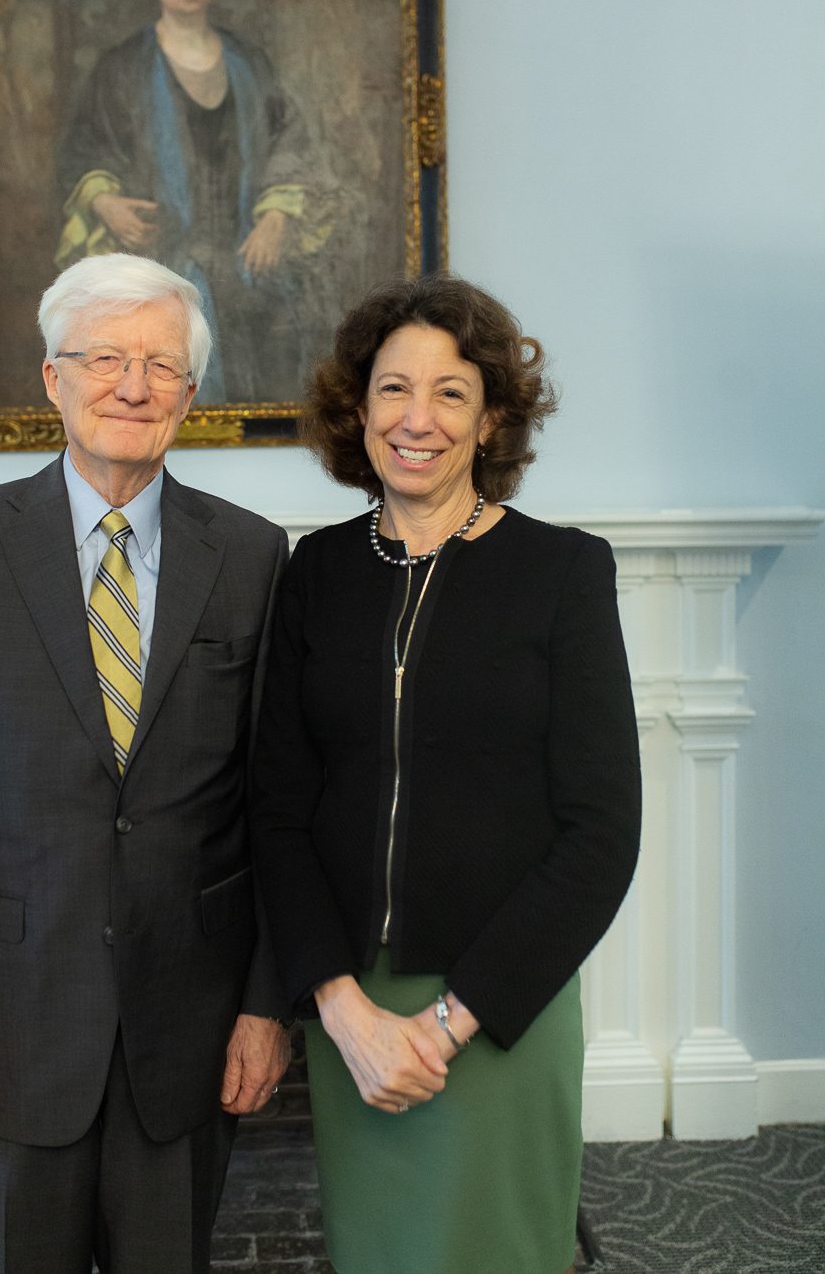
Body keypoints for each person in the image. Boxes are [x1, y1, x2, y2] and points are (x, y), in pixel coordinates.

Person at [0, 253, 292, 1274]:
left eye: (160, 365)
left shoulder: (250, 555)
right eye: (104, 358)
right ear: (53, 378)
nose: (133, 386)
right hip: (6, 1037)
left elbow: (274, 804)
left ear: (190, 396)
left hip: (186, 1037)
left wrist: (264, 1003)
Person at [250, 276, 642, 1274]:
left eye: (451, 392)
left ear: (492, 419)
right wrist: (342, 1012)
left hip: (498, 1003)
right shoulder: (314, 574)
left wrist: (445, 1022)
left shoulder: (562, 574)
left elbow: (600, 831)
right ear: (358, 409)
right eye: (391, 389)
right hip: (357, 1018)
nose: (415, 418)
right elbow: (277, 810)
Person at [55, 0, 332, 403]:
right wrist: (106, 204)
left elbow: (291, 140)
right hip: (159, 258)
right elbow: (84, 148)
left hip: (251, 257)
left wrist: (275, 217)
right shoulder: (122, 68)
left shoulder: (250, 63)